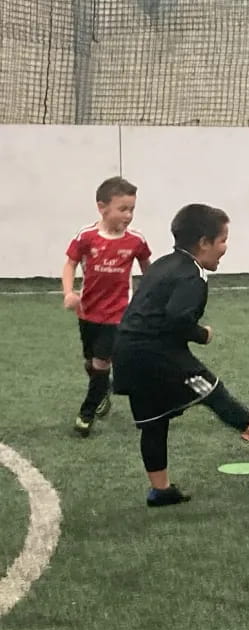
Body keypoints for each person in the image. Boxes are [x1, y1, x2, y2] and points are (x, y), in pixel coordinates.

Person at [112, 203, 249, 507]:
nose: (225, 248)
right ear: (203, 242)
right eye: (222, 240)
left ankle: (160, 490)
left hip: (127, 351)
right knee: (214, 392)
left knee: (154, 422)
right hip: (155, 353)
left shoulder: (164, 263)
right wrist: (202, 334)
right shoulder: (193, 275)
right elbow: (176, 319)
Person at [62, 176, 151, 437]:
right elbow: (69, 264)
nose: (129, 215)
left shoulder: (136, 241)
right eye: (123, 209)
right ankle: (101, 391)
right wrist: (69, 293)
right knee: (91, 362)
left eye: (132, 209)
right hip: (88, 312)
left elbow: (149, 270)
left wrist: (149, 296)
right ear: (102, 207)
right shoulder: (87, 237)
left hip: (117, 314)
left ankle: (86, 414)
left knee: (101, 362)